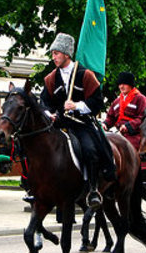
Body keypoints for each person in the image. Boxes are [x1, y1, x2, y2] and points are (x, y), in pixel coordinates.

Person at [40, 32, 116, 209]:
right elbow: (44, 101)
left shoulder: (85, 75)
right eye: (52, 53)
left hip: (81, 124)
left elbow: (97, 102)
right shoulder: (51, 78)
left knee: (89, 150)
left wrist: (77, 106)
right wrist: (47, 113)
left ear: (67, 53)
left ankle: (93, 189)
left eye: (56, 53)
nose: (54, 57)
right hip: (59, 123)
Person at [102, 72, 146, 151]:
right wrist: (105, 124)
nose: (121, 86)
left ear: (131, 85)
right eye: (120, 84)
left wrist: (128, 126)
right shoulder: (116, 101)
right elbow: (111, 118)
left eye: (124, 84)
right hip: (118, 133)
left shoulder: (141, 99)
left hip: (135, 135)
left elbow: (143, 117)